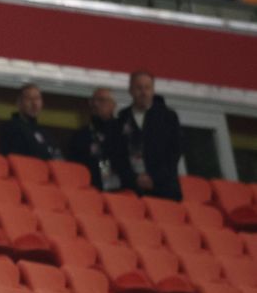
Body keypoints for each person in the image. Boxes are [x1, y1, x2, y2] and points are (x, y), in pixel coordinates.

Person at [118, 71, 183, 201]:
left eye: (147, 88)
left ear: (153, 90)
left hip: (165, 189)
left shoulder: (167, 117)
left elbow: (175, 151)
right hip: (133, 189)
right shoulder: (122, 117)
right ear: (130, 90)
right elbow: (118, 153)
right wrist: (134, 178)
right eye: (139, 88)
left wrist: (153, 177)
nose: (143, 92)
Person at [65, 87, 134, 192]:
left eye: (102, 100)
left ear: (113, 105)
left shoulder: (123, 133)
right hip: (87, 191)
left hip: (120, 192)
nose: (96, 104)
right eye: (93, 101)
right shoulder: (80, 136)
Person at [0, 84, 61, 160]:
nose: (35, 104)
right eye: (29, 99)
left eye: (37, 99)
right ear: (19, 103)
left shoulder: (45, 133)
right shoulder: (11, 128)